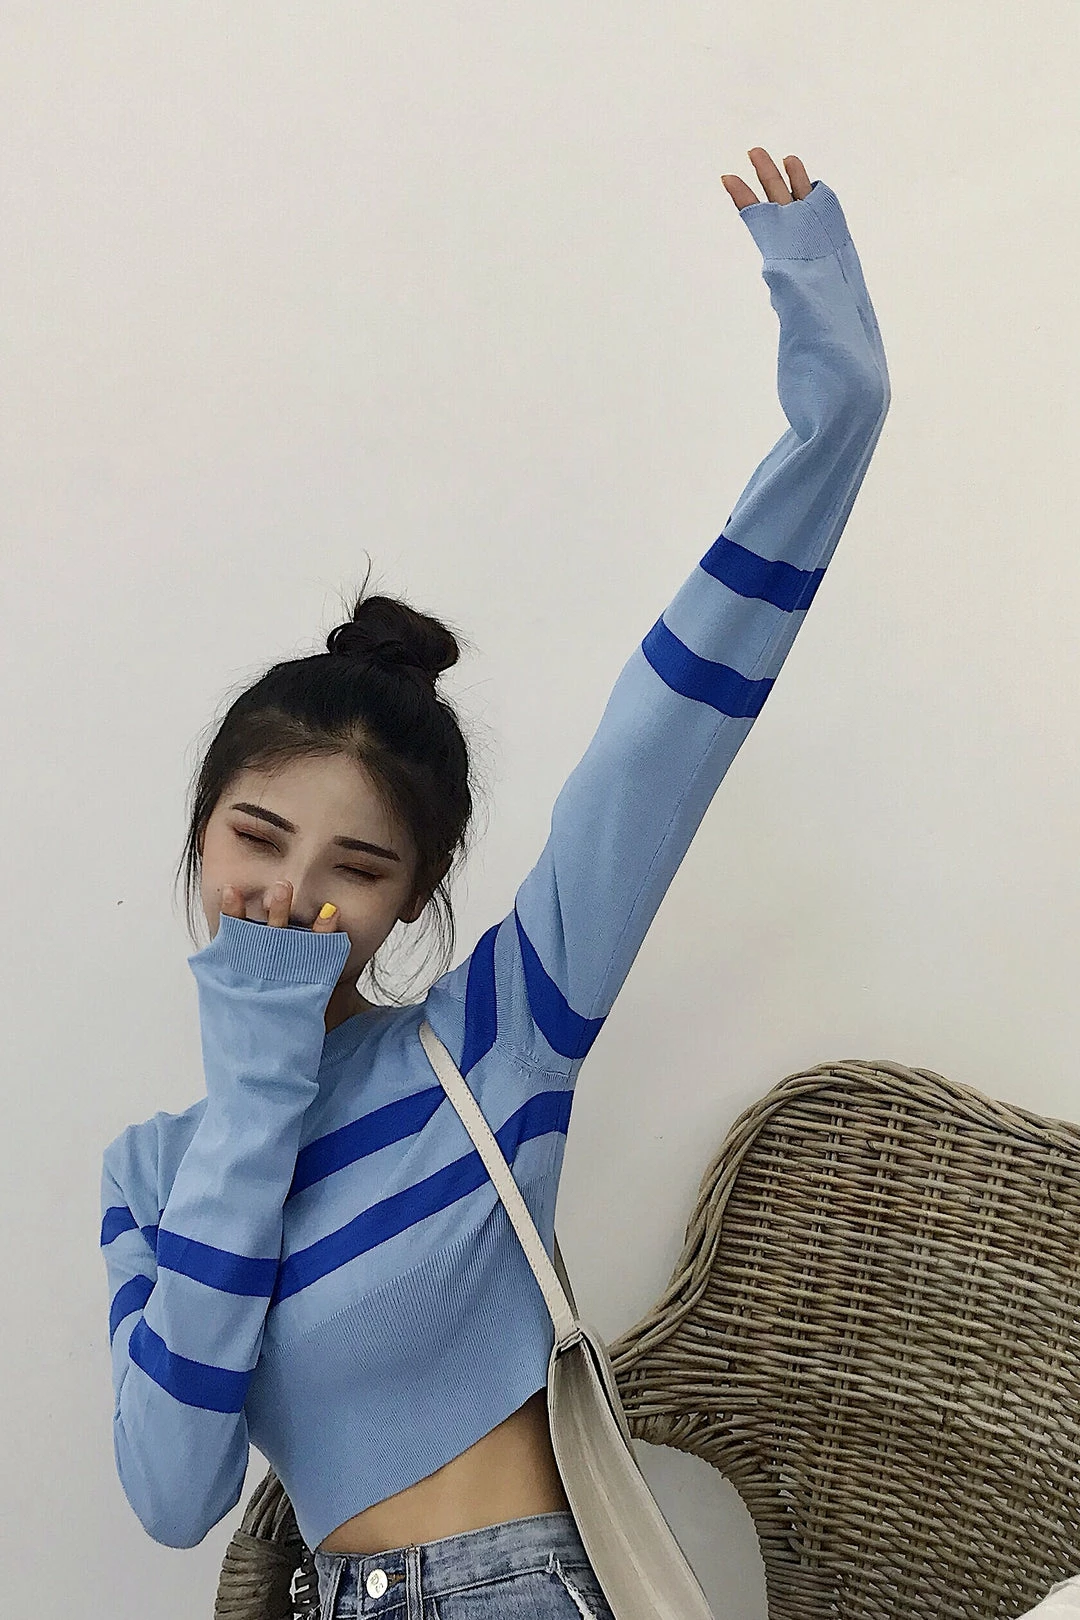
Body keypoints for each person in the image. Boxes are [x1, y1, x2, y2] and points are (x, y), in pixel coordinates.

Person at [99, 147, 890, 1619]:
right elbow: (173, 1492)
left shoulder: (492, 1039)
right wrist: (257, 1092)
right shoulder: (152, 1176)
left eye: (356, 868)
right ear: (200, 834)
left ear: (413, 898)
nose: (288, 897)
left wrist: (834, 408)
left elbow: (658, 747)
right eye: (257, 838)